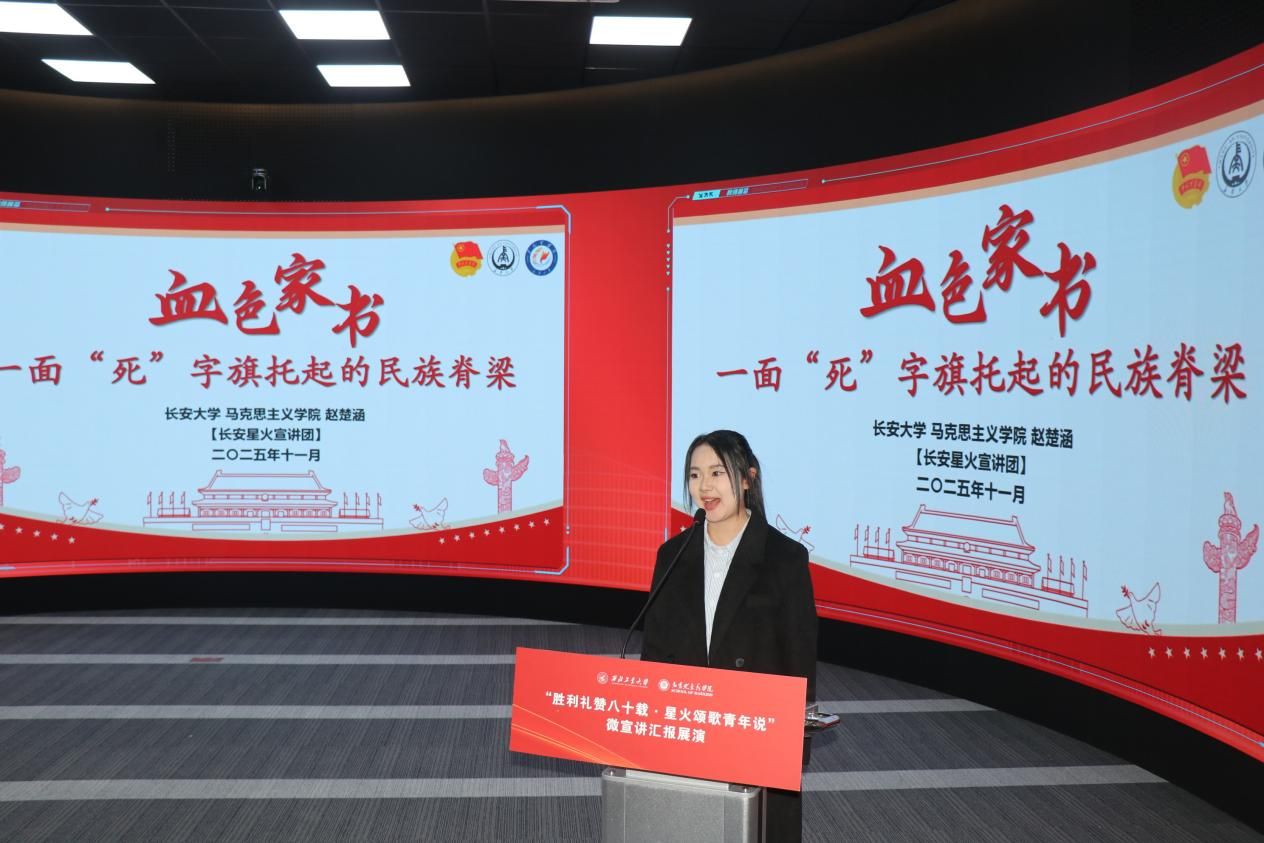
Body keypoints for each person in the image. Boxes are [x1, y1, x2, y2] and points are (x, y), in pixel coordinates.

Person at [641, 429, 817, 842]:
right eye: (695, 475)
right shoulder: (672, 556)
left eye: (717, 473)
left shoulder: (785, 558)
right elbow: (655, 652)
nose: (704, 486)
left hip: (753, 730)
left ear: (747, 478)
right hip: (689, 726)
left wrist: (792, 748)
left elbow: (799, 658)